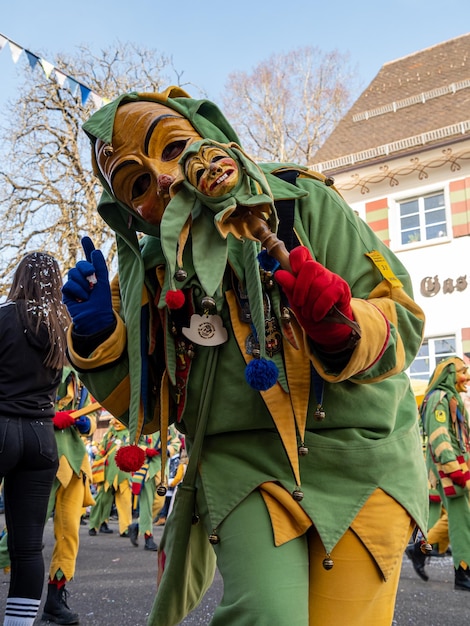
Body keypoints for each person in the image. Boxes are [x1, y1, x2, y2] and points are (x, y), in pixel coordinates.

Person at [62, 87, 428, 626]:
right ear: (129, 212)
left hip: (362, 453)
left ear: (208, 138)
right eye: (138, 183)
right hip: (244, 463)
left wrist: (343, 327)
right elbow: (152, 411)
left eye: (173, 148)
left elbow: (403, 318)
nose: (164, 178)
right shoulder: (151, 273)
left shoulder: (301, 202)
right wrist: (99, 343)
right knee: (266, 615)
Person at [0, 252, 69, 626]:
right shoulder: (62, 324)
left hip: (2, 426)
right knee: (27, 548)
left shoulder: (4, 316)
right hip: (42, 438)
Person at [406, 356, 470, 590]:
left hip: (458, 468)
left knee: (459, 519)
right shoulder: (439, 399)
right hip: (449, 471)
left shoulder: (452, 398)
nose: (467, 377)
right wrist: (455, 470)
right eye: (463, 372)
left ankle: (422, 551)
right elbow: (440, 437)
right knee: (463, 520)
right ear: (450, 375)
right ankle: (461, 573)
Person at [41, 366, 98, 625]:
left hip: (75, 462)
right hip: (40, 453)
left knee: (69, 534)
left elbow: (91, 416)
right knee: (20, 533)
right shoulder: (37, 359)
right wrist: (50, 416)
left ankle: (55, 600)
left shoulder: (84, 376)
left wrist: (87, 423)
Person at [128, 426, 181, 551]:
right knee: (146, 504)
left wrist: (167, 450)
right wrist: (146, 450)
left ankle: (136, 526)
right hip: (145, 469)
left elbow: (176, 442)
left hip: (161, 470)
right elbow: (133, 443)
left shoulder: (169, 425)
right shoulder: (142, 423)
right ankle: (148, 537)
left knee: (159, 503)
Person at [87, 417, 132, 538]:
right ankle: (94, 525)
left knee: (125, 502)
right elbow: (101, 450)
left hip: (124, 474)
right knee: (101, 500)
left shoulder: (132, 433)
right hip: (107, 474)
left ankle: (126, 529)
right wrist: (96, 469)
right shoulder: (110, 433)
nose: (116, 422)